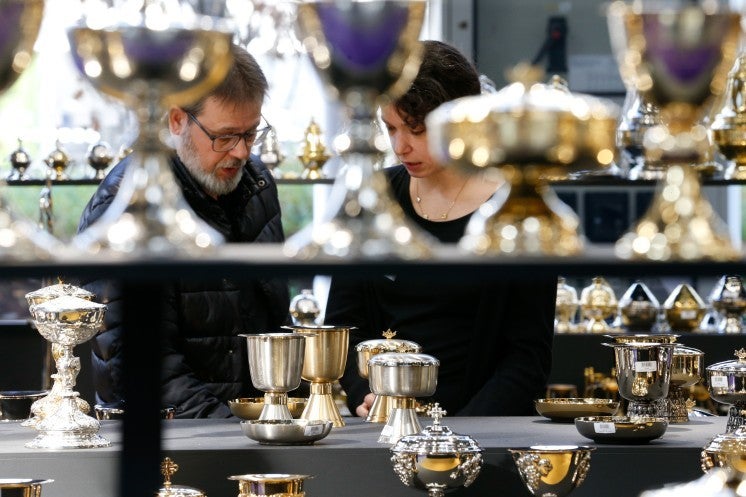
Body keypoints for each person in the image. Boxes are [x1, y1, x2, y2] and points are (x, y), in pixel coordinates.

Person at [326, 40, 557, 417]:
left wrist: (458, 437)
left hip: (483, 434)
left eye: (417, 130)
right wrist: (362, 396)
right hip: (384, 430)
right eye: (391, 128)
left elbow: (526, 359)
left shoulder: (517, 208)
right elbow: (343, 328)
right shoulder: (373, 195)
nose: (401, 146)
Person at [77, 44, 289, 418]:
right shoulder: (128, 202)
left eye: (251, 133)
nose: (241, 152)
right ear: (177, 121)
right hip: (164, 438)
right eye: (224, 137)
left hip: (253, 429)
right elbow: (135, 362)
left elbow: (276, 324)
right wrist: (231, 429)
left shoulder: (257, 184)